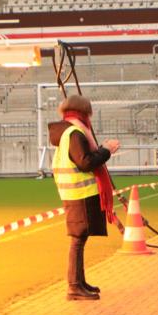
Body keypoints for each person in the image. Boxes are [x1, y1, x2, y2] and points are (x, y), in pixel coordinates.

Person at [48, 95, 120, 301]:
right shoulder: (75, 133)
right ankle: (74, 286)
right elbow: (86, 162)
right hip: (80, 194)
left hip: (74, 193)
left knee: (80, 240)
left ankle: (79, 282)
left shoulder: (66, 132)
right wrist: (107, 150)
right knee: (78, 241)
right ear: (83, 112)